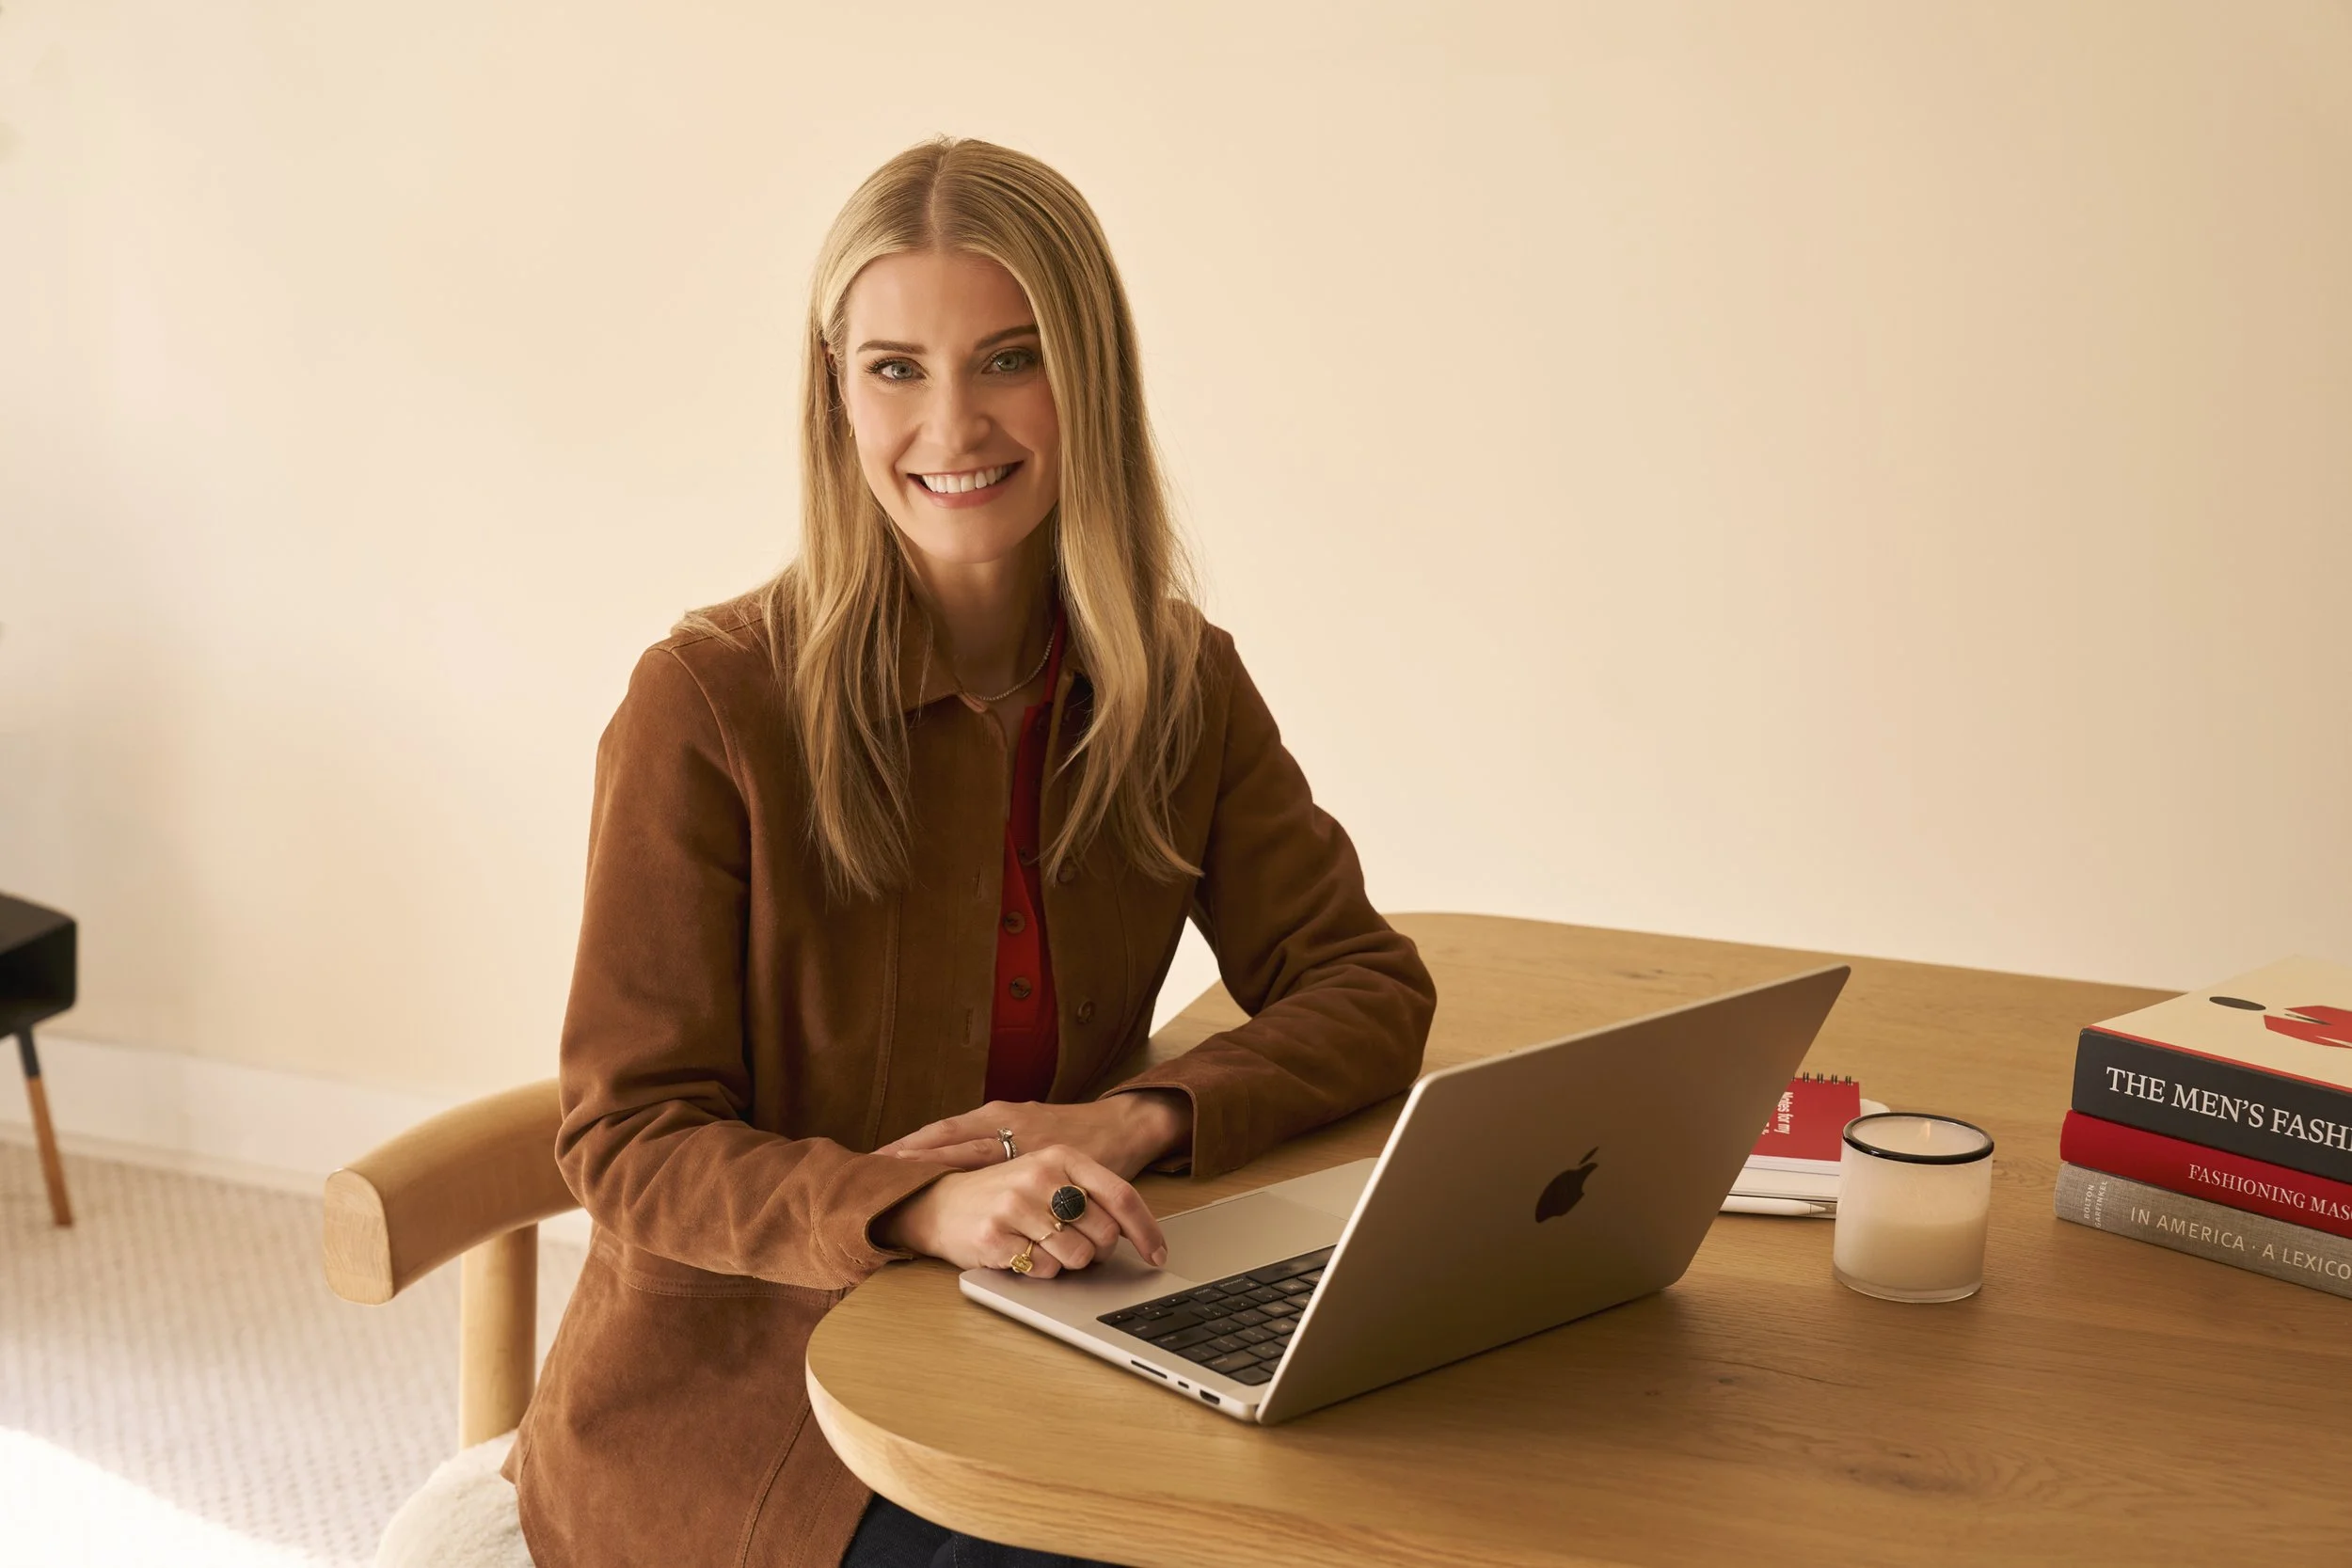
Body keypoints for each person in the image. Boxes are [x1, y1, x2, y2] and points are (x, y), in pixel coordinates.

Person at [500, 134, 1438, 1568]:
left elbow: (1365, 984)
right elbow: (626, 1139)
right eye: (897, 368)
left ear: (1090, 379)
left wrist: (1135, 1119)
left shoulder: (1177, 684)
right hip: (738, 1420)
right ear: (835, 394)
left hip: (1042, 1338)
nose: (955, 425)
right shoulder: (705, 703)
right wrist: (919, 1202)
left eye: (1009, 358)